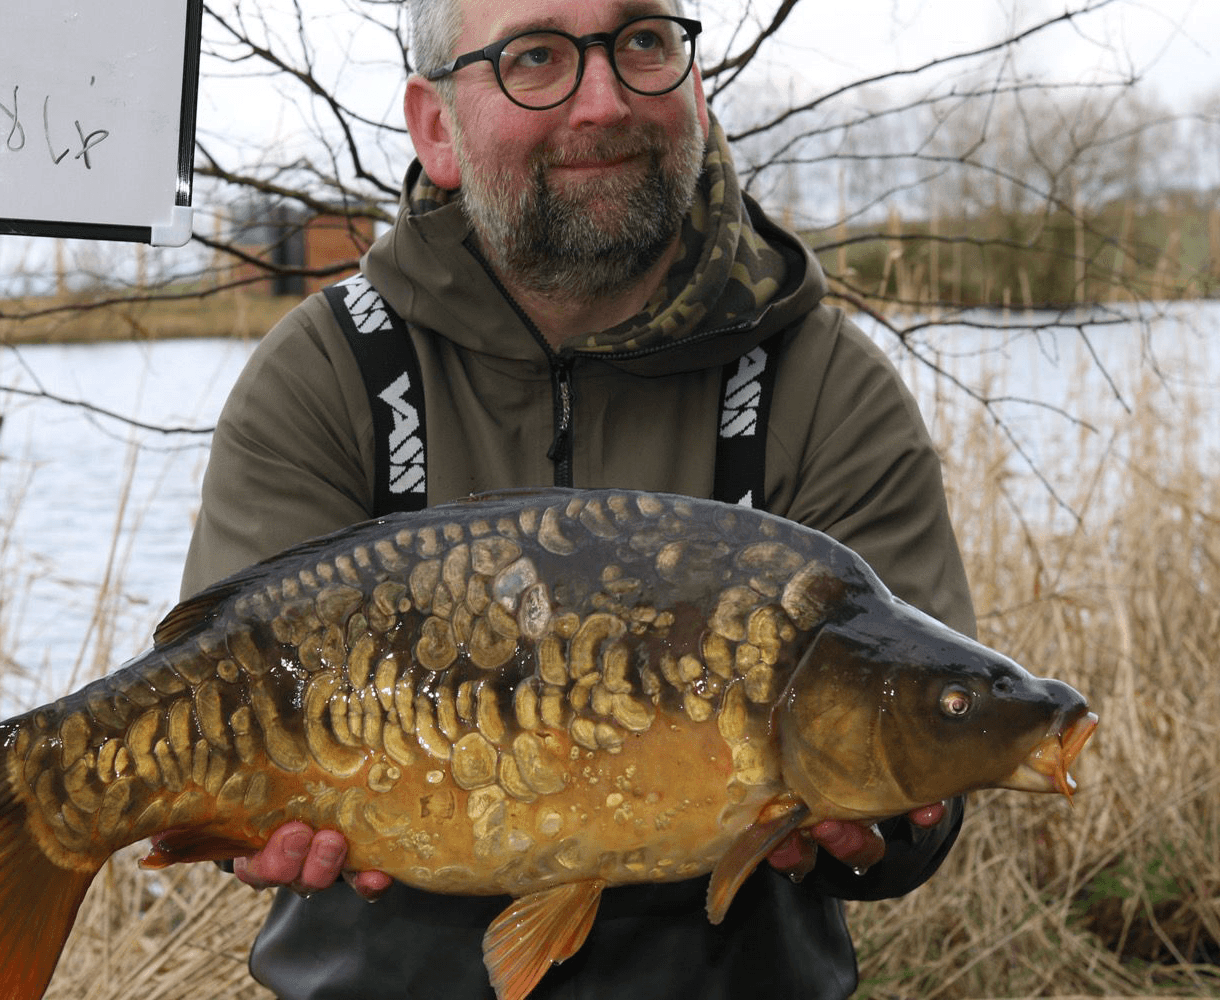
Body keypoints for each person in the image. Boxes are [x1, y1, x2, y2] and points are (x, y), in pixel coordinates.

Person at [179, 0, 977, 995]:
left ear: (692, 79)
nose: (601, 102)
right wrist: (234, 827)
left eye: (643, 39)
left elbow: (925, 768)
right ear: (438, 129)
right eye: (537, 57)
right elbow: (210, 710)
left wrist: (894, 825)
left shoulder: (824, 386)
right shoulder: (326, 375)